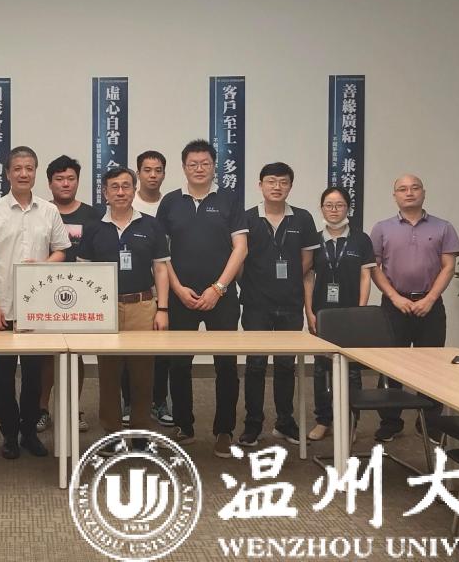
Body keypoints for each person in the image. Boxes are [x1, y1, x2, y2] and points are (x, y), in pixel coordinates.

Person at [0, 146, 70, 459]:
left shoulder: (49, 211)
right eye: (17, 168)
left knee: (33, 377)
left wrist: (43, 264)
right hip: (3, 305)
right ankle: (9, 435)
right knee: (4, 377)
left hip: (37, 309)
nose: (23, 174)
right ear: (7, 173)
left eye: (29, 168)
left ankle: (29, 433)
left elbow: (61, 251)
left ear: (35, 172)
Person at [157, 140, 248, 458]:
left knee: (226, 365)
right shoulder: (171, 202)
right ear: (184, 167)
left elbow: (241, 248)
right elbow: (161, 253)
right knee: (179, 363)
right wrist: (177, 288)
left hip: (221, 297)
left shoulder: (229, 200)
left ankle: (224, 430)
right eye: (193, 164)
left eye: (205, 163)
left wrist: (218, 288)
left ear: (214, 166)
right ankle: (184, 425)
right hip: (181, 295)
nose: (199, 169)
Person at [369, 174, 459, 442]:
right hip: (393, 304)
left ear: (423, 192)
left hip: (430, 305)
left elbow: (448, 267)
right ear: (395, 196)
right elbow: (374, 267)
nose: (409, 192)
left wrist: (430, 299)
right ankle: (390, 422)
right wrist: (394, 297)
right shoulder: (382, 228)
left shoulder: (443, 227)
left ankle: (430, 423)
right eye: (402, 189)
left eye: (414, 188)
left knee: (432, 366)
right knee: (391, 365)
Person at [79, 167, 169, 442]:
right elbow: (84, 273)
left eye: (126, 186)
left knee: (143, 374)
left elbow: (161, 269)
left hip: (142, 306)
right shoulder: (94, 227)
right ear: (105, 193)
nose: (121, 192)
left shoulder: (151, 225)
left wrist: (162, 309)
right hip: (106, 310)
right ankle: (112, 433)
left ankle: (141, 433)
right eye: (114, 187)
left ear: (134, 190)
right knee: (108, 374)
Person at [239, 162, 319, 448]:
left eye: (283, 182)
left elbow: (307, 261)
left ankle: (285, 422)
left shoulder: (303, 218)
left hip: (290, 303)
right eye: (271, 181)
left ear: (290, 186)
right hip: (256, 304)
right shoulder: (247, 218)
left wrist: (289, 285)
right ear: (260, 185)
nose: (277, 186)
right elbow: (239, 261)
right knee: (255, 364)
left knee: (286, 365)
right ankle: (253, 424)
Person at [304, 186, 375, 442]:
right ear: (322, 208)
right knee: (321, 369)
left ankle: (350, 422)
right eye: (329, 205)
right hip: (322, 313)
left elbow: (365, 276)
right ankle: (323, 420)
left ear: (348, 208)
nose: (334, 210)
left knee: (352, 370)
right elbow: (308, 277)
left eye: (340, 205)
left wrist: (360, 311)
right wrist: (309, 311)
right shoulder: (314, 239)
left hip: (350, 313)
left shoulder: (360, 239)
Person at [37, 155, 96, 435]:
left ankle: (73, 408)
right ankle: (42, 409)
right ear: (50, 183)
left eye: (71, 178)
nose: (65, 183)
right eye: (59, 179)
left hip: (80, 294)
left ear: (78, 182)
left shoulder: (93, 215)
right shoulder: (41, 212)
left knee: (75, 354)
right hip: (43, 292)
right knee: (46, 356)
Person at [127, 150, 174, 428]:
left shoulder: (170, 206)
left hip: (166, 286)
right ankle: (128, 402)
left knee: (162, 351)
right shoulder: (126, 202)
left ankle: (159, 401)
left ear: (164, 174)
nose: (153, 175)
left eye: (158, 170)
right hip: (135, 289)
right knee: (128, 353)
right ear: (138, 173)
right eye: (147, 170)